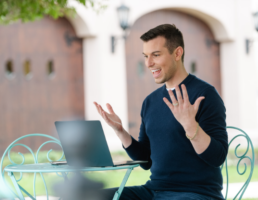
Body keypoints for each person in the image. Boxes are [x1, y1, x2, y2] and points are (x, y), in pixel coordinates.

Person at [94, 24, 228, 200]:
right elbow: (146, 160)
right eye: (146, 56)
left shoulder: (205, 95)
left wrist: (190, 125)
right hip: (154, 191)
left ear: (177, 53)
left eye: (156, 55)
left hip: (196, 193)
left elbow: (217, 157)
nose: (149, 63)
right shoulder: (150, 102)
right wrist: (120, 131)